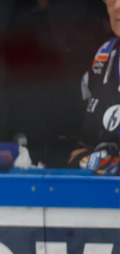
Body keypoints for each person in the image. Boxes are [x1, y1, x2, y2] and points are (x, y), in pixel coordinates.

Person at [71, 0, 120, 174]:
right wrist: (91, 155)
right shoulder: (104, 54)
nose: (117, 6)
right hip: (99, 192)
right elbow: (85, 156)